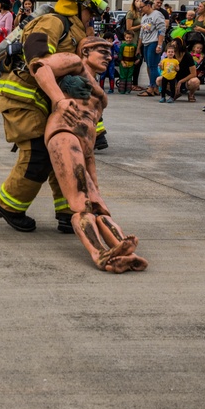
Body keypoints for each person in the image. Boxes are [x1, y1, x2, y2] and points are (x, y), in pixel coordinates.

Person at [0, 0, 107, 234]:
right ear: (78, 5)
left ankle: (69, 211)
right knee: (39, 154)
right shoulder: (51, 22)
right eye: (91, 9)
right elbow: (37, 61)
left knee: (66, 151)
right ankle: (10, 206)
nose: (93, 16)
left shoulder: (78, 30)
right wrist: (61, 92)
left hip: (48, 101)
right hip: (23, 98)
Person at [35, 36, 148, 273]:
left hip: (85, 147)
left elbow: (93, 133)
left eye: (110, 52)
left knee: (98, 205)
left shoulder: (100, 92)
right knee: (81, 203)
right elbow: (40, 67)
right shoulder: (75, 62)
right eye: (102, 51)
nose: (109, 56)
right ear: (85, 52)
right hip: (64, 134)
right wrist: (60, 101)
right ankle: (100, 255)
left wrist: (92, 167)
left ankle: (123, 248)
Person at [135, 0, 167, 97]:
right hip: (146, 43)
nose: (140, 9)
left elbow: (162, 30)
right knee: (149, 66)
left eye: (142, 7)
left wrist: (159, 45)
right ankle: (156, 87)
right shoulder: (144, 17)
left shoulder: (157, 15)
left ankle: (152, 87)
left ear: (148, 5)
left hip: (154, 42)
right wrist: (139, 47)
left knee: (153, 66)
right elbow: (141, 33)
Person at [123, 0, 145, 90]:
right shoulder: (131, 13)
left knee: (139, 63)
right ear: (134, 2)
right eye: (137, 1)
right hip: (133, 41)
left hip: (141, 41)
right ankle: (131, 83)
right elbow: (129, 29)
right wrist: (141, 26)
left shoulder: (142, 13)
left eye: (141, 1)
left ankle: (135, 83)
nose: (139, 2)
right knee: (133, 63)